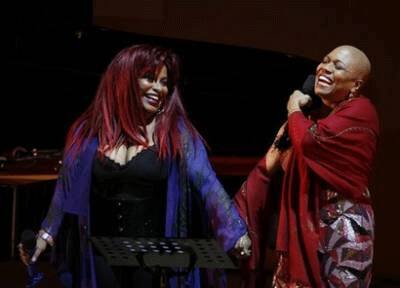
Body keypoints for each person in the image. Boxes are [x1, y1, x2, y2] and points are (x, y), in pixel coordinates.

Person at [18, 44, 251, 288]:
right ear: (125, 79)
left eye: (164, 82)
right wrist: (46, 233)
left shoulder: (176, 134)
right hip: (99, 251)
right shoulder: (87, 133)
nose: (158, 88)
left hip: (149, 257)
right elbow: (64, 189)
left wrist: (235, 230)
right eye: (149, 78)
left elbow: (207, 182)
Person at [235, 45, 379, 287]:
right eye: (325, 61)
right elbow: (264, 170)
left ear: (356, 85)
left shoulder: (361, 111)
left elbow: (311, 143)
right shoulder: (303, 123)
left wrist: (293, 110)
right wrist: (233, 219)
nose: (325, 68)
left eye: (338, 66)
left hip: (343, 232)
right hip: (302, 233)